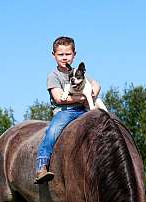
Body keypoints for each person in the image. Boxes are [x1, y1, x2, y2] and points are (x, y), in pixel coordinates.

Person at [34, 36, 101, 184]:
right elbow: (59, 98)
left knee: (107, 125)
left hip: (83, 109)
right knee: (53, 131)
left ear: (74, 54)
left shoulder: (79, 72)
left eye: (68, 54)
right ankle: (42, 166)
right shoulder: (54, 76)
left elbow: (96, 84)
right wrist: (83, 98)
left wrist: (92, 93)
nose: (64, 58)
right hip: (65, 112)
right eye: (60, 54)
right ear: (54, 55)